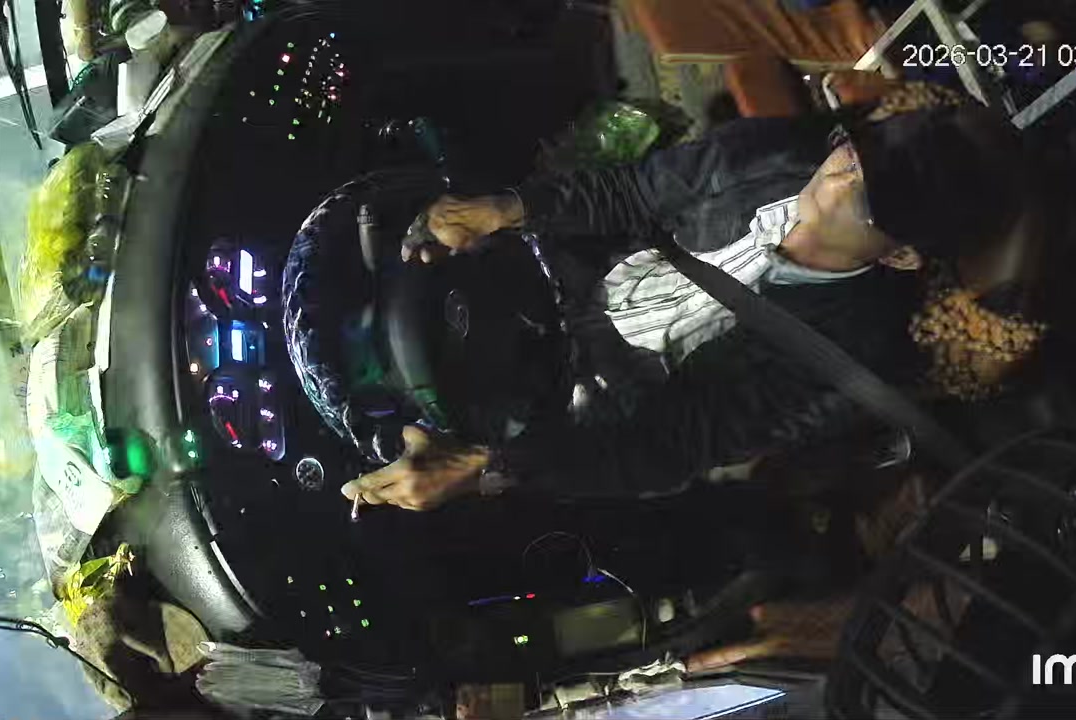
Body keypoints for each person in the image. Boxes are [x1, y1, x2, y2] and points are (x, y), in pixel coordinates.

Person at [342, 98, 1027, 512]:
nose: (844, 174)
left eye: (880, 193)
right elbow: (633, 193)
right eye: (861, 148)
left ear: (901, 256)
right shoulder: (767, 157)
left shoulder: (848, 350)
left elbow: (674, 443)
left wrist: (491, 468)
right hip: (573, 282)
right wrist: (505, 209)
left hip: (598, 402)